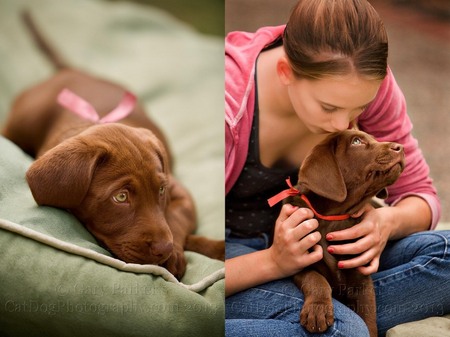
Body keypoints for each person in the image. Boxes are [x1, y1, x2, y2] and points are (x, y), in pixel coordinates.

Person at [225, 0, 450, 336]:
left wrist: (387, 222)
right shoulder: (226, 105)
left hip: (332, 255)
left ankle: (324, 311)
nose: (343, 123)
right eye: (328, 106)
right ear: (286, 71)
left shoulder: (361, 80)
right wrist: (274, 262)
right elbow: (184, 254)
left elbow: (420, 195)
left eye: (358, 107)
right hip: (236, 254)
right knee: (344, 330)